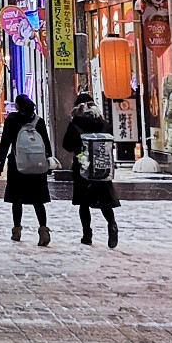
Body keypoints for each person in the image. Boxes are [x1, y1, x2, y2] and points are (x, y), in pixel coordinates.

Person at [0, 93, 53, 245]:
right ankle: (43, 229)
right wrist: (49, 163)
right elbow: (46, 143)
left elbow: (5, 142)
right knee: (38, 200)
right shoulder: (38, 121)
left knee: (17, 199)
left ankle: (17, 230)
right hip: (37, 166)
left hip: (17, 164)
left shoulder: (12, 121)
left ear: (18, 106)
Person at [63, 93, 121, 247]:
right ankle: (112, 223)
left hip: (83, 166)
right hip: (102, 167)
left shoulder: (76, 122)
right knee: (105, 200)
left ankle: (87, 234)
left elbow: (66, 145)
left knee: (84, 202)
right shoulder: (103, 123)